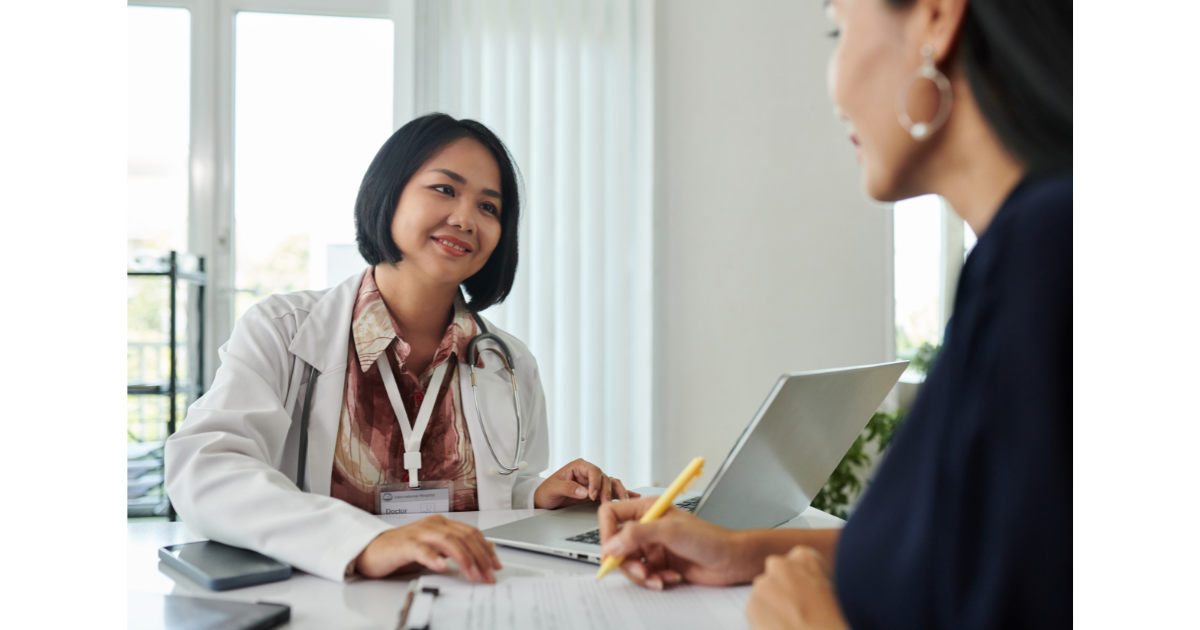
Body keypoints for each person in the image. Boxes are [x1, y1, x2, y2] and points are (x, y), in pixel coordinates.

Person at [599, 0, 1071, 628]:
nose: (835, 93)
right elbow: (960, 558)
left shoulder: (1045, 254)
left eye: (838, 28)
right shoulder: (1027, 250)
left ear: (936, 17)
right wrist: (741, 551)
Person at [166, 113, 636, 584]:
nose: (465, 219)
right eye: (445, 189)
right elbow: (206, 470)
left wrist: (534, 496)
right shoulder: (281, 331)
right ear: (387, 192)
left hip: (468, 592)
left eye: (489, 207)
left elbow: (492, 490)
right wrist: (363, 542)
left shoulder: (508, 361)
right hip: (331, 602)